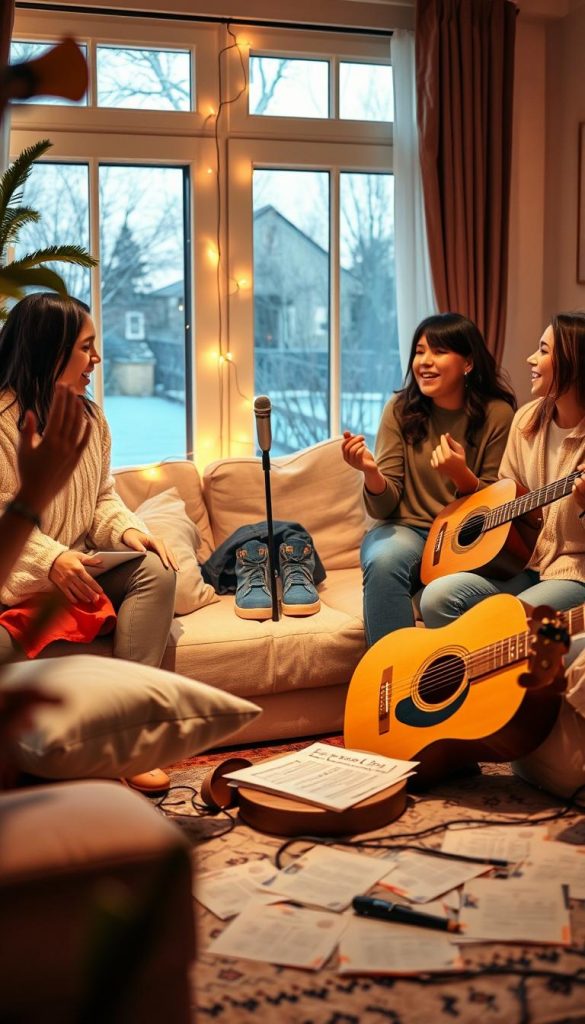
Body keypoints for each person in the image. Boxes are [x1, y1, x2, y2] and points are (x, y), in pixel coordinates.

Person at [0, 292, 178, 665]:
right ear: (50, 352)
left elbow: (101, 497)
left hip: (76, 574)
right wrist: (50, 559)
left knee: (156, 569)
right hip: (13, 585)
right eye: (86, 348)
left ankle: (131, 704)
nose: (97, 359)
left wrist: (129, 531)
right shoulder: (2, 424)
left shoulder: (91, 420)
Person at [342, 312, 517, 647]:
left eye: (438, 351)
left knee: (443, 591)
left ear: (467, 362)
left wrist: (461, 475)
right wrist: (371, 472)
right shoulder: (400, 409)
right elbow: (385, 506)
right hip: (406, 528)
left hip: (464, 536)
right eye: (420, 351)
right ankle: (390, 675)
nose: (424, 362)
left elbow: (498, 503)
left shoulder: (497, 414)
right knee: (384, 560)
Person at [420, 312, 585, 629]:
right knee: (436, 598)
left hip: (571, 573)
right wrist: (463, 476)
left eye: (544, 350)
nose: (530, 358)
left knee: (508, 622)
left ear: (573, 362)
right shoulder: (526, 419)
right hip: (523, 566)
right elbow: (506, 499)